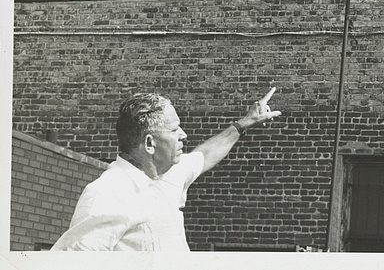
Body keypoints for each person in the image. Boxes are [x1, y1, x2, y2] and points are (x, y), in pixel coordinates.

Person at [51, 87, 281, 251]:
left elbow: (205, 155)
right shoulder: (107, 193)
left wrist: (244, 123)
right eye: (174, 130)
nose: (184, 135)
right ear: (150, 144)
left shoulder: (167, 174)